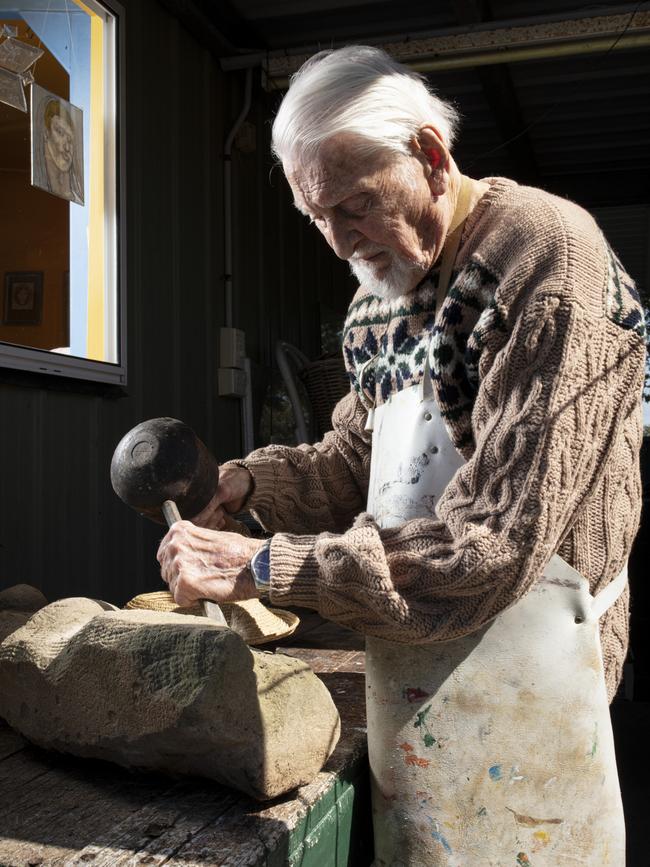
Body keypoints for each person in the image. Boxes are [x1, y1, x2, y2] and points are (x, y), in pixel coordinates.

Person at [157, 46, 645, 864]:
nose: (342, 240)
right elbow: (356, 457)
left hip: (536, 653)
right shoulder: (374, 301)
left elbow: (494, 546)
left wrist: (269, 566)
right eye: (318, 217)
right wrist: (248, 484)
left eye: (355, 205)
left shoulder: (548, 262)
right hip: (408, 632)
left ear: (429, 155)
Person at [42, 98, 83, 205]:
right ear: (46, 133)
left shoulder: (77, 206)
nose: (67, 148)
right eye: (60, 132)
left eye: (70, 139)